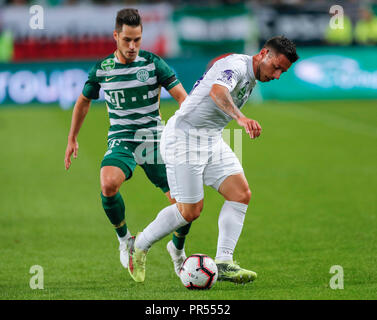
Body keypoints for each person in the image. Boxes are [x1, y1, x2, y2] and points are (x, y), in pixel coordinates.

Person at [127, 36, 299, 283]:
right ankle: (139, 245)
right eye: (277, 67)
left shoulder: (252, 73)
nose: (278, 75)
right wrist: (241, 118)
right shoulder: (237, 67)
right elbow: (217, 91)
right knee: (190, 211)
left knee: (241, 194)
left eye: (283, 70)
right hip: (183, 139)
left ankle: (224, 261)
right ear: (264, 54)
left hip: (210, 139)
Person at [64, 8, 190, 272]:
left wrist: (186, 129)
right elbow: (83, 102)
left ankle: (177, 250)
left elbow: (182, 98)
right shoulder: (102, 69)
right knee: (108, 184)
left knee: (187, 204)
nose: (132, 46)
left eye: (137, 40)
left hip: (154, 140)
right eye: (127, 40)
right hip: (122, 139)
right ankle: (125, 240)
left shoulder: (153, 63)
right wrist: (72, 138)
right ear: (115, 36)